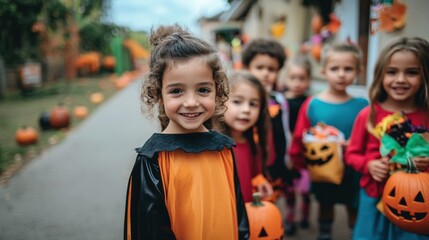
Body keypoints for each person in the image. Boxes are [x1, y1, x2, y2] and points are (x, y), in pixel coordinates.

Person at [123, 24, 249, 240]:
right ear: (158, 94)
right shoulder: (153, 159)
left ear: (216, 91)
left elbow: (239, 216)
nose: (191, 102)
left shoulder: (223, 149)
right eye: (176, 91)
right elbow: (149, 231)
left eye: (203, 90)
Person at [345, 37, 429, 240]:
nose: (400, 79)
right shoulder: (368, 115)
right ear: (381, 75)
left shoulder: (426, 116)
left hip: (416, 202)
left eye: (411, 72)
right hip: (374, 195)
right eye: (392, 72)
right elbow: (351, 153)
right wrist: (369, 165)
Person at [289, 41, 368, 240]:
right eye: (335, 69)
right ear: (324, 71)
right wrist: (298, 161)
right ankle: (324, 235)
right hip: (323, 166)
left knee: (354, 204)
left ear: (358, 70)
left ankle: (355, 234)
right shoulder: (313, 104)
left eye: (348, 69)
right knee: (325, 203)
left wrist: (354, 145)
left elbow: (370, 136)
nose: (341, 74)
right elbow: (300, 135)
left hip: (353, 168)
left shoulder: (363, 105)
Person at [241, 38, 292, 202]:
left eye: (271, 69)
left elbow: (284, 132)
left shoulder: (279, 101)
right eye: (259, 67)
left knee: (268, 208)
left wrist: (287, 158)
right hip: (249, 164)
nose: (265, 73)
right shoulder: (240, 100)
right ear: (247, 68)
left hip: (272, 165)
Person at [218, 71, 273, 202]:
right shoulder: (214, 148)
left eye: (253, 104)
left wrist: (260, 181)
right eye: (237, 102)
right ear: (220, 103)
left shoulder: (252, 144)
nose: (246, 109)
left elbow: (253, 176)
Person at [282, 55, 313, 236]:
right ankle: (291, 217)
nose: (297, 83)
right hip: (286, 150)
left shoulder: (310, 102)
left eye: (302, 78)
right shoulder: (281, 102)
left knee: (305, 188)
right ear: (286, 78)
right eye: (293, 78)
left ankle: (305, 216)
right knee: (289, 188)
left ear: (308, 80)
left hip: (304, 152)